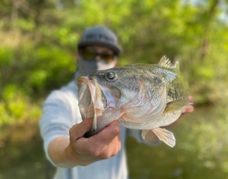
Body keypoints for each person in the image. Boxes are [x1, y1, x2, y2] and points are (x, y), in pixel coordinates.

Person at [39, 25, 194, 179]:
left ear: (115, 62)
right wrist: (73, 153)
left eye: (106, 56)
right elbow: (54, 145)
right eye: (89, 52)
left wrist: (170, 120)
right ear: (77, 55)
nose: (97, 59)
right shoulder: (59, 99)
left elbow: (146, 136)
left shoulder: (124, 106)